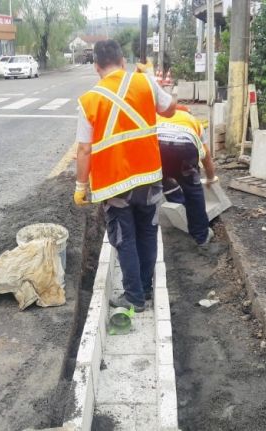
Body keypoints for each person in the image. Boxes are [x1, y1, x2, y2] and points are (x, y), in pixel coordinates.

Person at [73, 40, 176, 312]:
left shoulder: (89, 101)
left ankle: (134, 297)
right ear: (122, 61)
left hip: (115, 185)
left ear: (96, 67)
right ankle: (144, 288)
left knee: (124, 239)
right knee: (147, 234)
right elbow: (170, 109)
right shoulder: (145, 83)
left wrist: (80, 186)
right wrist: (152, 78)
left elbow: (84, 150)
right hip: (148, 179)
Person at [157, 106, 218, 247]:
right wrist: (210, 178)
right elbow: (206, 157)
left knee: (160, 179)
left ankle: (144, 229)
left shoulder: (158, 117)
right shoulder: (194, 121)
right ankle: (201, 236)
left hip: (160, 147)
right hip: (185, 149)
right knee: (193, 192)